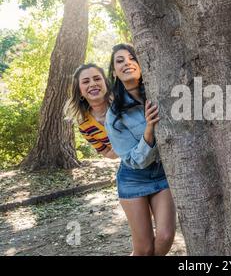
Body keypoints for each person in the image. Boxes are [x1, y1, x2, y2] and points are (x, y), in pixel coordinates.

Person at [105, 43, 176, 256]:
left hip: (162, 174)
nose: (127, 62)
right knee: (144, 249)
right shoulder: (114, 115)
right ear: (115, 71)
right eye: (120, 60)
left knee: (164, 237)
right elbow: (135, 161)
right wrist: (149, 130)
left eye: (132, 58)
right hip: (133, 178)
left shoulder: (159, 95)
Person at [64, 63, 117, 159]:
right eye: (85, 82)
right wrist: (120, 148)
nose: (92, 84)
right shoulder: (84, 126)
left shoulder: (122, 103)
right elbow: (106, 153)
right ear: (79, 91)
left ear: (105, 83)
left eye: (97, 79)